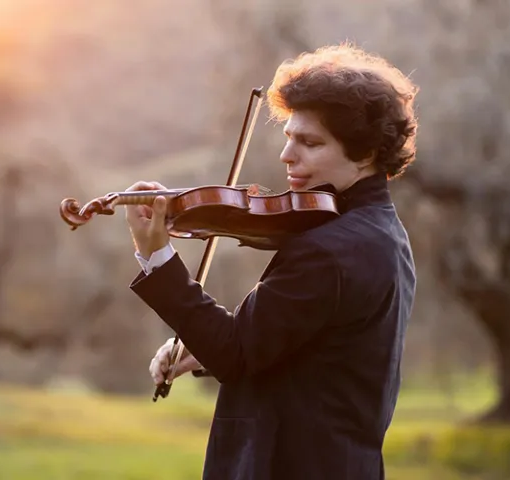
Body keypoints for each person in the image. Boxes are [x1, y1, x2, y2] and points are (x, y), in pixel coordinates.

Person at [125, 43, 418, 480]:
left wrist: (158, 256)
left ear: (367, 153)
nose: (287, 156)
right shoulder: (384, 233)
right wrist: (201, 351)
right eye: (288, 138)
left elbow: (236, 352)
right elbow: (313, 350)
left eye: (310, 143)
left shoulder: (327, 250)